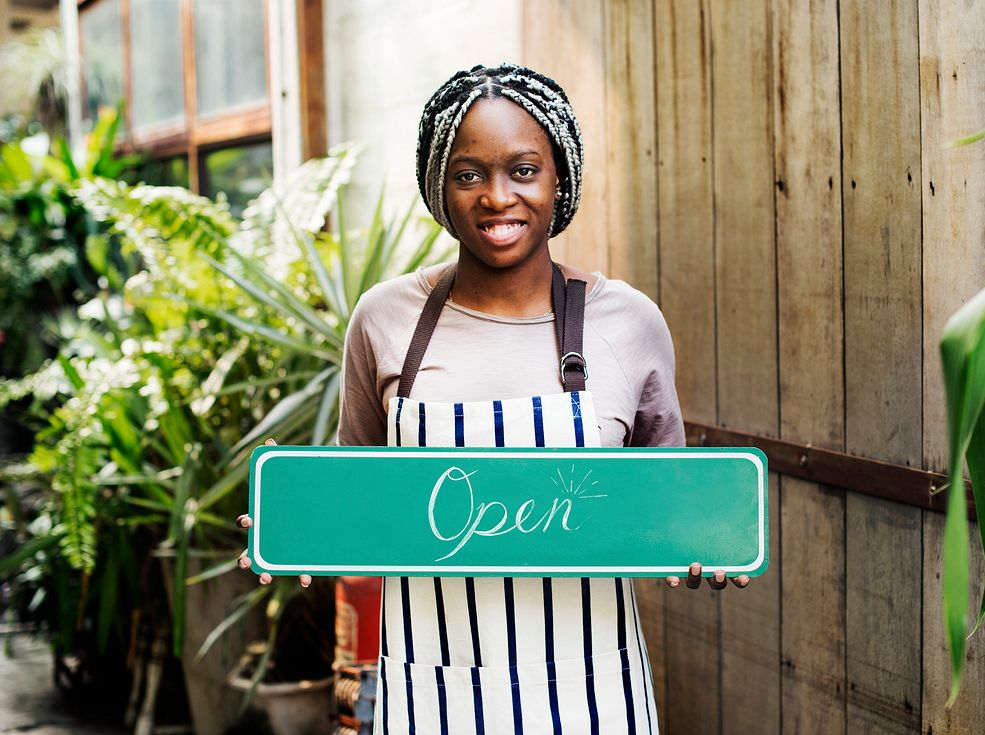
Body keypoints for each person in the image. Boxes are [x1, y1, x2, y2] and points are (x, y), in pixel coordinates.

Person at [240, 63, 748, 734]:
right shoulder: (384, 320)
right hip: (429, 692)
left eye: (524, 170)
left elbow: (663, 503)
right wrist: (294, 530)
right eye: (469, 174)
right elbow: (358, 499)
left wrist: (701, 547)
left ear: (559, 178)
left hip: (592, 696)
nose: (497, 197)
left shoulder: (628, 322)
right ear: (439, 188)